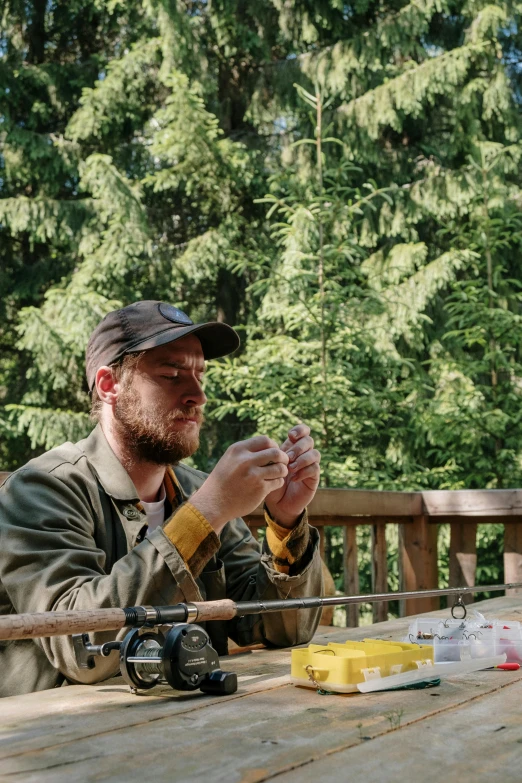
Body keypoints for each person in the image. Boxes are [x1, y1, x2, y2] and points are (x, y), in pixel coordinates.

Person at [0, 301, 323, 696]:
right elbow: (80, 647)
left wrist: (285, 524)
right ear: (108, 386)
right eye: (172, 374)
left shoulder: (194, 488)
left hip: (191, 723)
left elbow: (281, 630)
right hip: (62, 742)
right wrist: (205, 513)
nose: (198, 395)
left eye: (200, 375)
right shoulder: (41, 490)